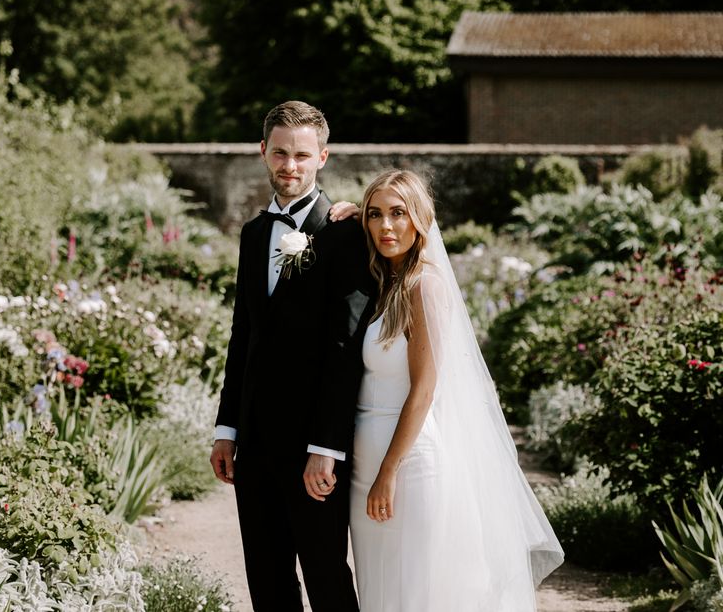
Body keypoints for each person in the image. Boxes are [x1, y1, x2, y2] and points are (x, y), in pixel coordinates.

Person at [350, 169, 564, 611]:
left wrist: (388, 472)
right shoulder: (383, 284)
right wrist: (349, 211)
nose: (386, 226)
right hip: (363, 467)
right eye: (375, 215)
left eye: (398, 213)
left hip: (406, 466)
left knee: (416, 593)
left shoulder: (424, 286)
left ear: (419, 219)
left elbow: (424, 389)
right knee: (378, 591)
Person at [209, 101, 375, 612]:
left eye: (302, 155)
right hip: (255, 441)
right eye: (280, 153)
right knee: (266, 576)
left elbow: (345, 349)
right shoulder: (254, 234)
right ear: (263, 152)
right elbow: (244, 335)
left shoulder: (347, 233)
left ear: (322, 157)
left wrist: (326, 446)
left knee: (326, 574)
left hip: (313, 446)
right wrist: (226, 429)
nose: (290, 165)